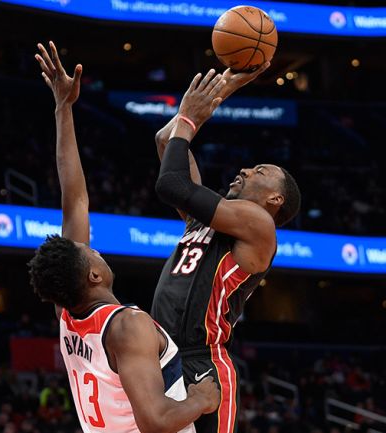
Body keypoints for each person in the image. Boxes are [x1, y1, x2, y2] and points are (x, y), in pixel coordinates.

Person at [27, 41, 220, 433]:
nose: (94, 248)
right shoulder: (127, 326)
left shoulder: (68, 315)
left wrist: (63, 109)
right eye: (90, 251)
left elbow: (75, 200)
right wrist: (202, 399)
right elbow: (155, 420)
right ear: (93, 276)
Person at [151, 66, 301, 433]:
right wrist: (217, 94)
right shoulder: (204, 219)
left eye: (260, 171)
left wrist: (190, 116)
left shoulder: (258, 226)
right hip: (159, 357)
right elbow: (163, 139)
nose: (246, 170)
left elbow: (171, 184)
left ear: (275, 198)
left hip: (202, 361)